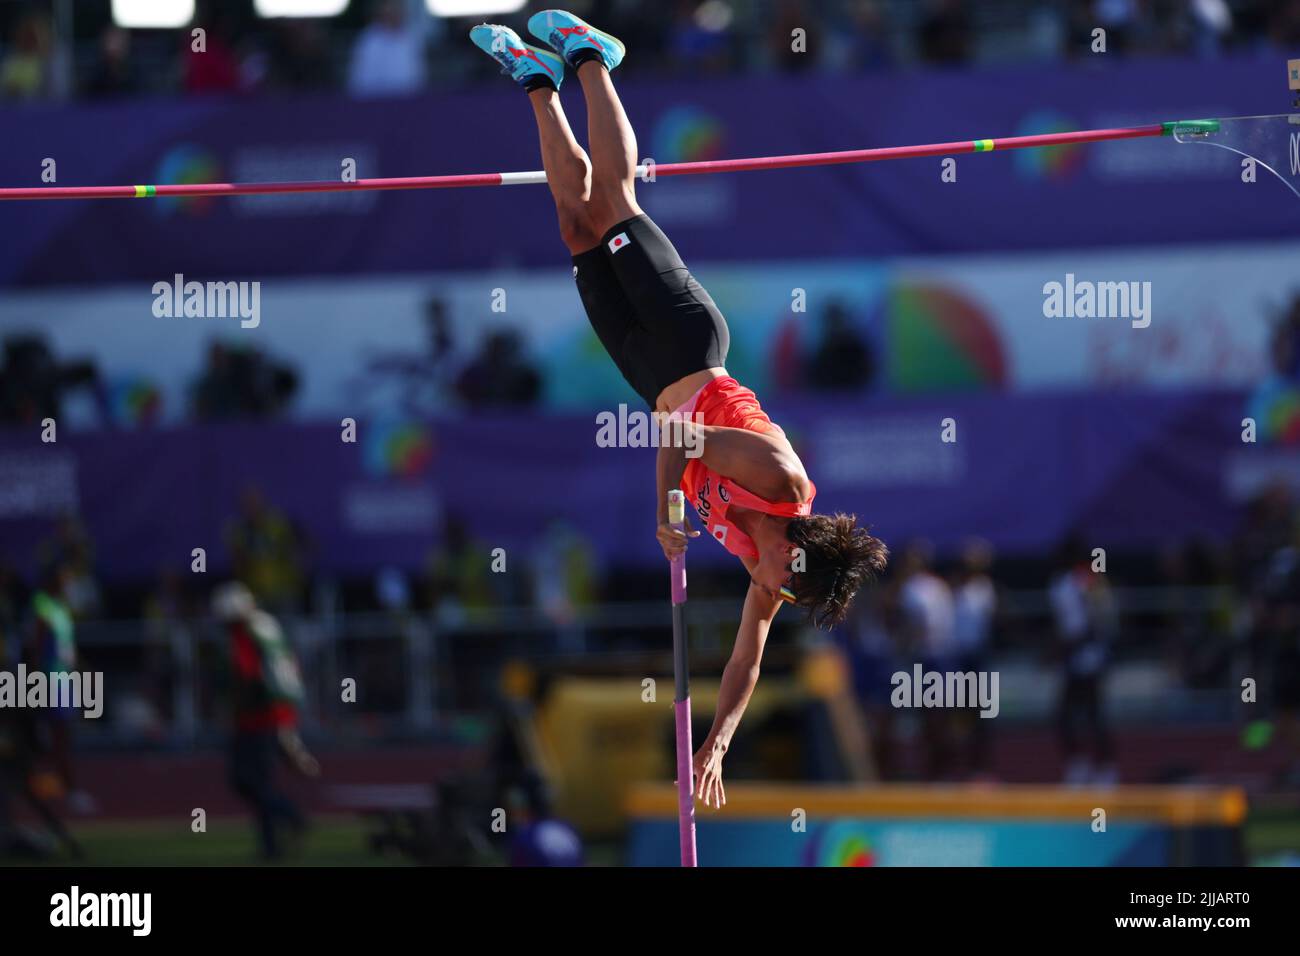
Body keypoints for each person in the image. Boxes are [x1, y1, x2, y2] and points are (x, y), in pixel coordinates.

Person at [469, 11, 888, 808]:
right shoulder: (781, 479)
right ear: (793, 552)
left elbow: (745, 665)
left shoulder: (770, 580)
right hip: (689, 345)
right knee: (612, 201)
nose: (768, 593)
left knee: (573, 229)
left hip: (643, 370)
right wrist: (668, 510)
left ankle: (534, 78)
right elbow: (681, 432)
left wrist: (716, 743)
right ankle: (591, 58)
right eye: (782, 583)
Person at [213, 582, 318, 860]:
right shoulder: (265, 625)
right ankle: (271, 845)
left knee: (249, 781)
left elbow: (247, 676)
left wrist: (232, 703)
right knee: (257, 782)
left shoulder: (243, 633)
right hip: (276, 713)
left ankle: (291, 818)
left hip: (259, 717)